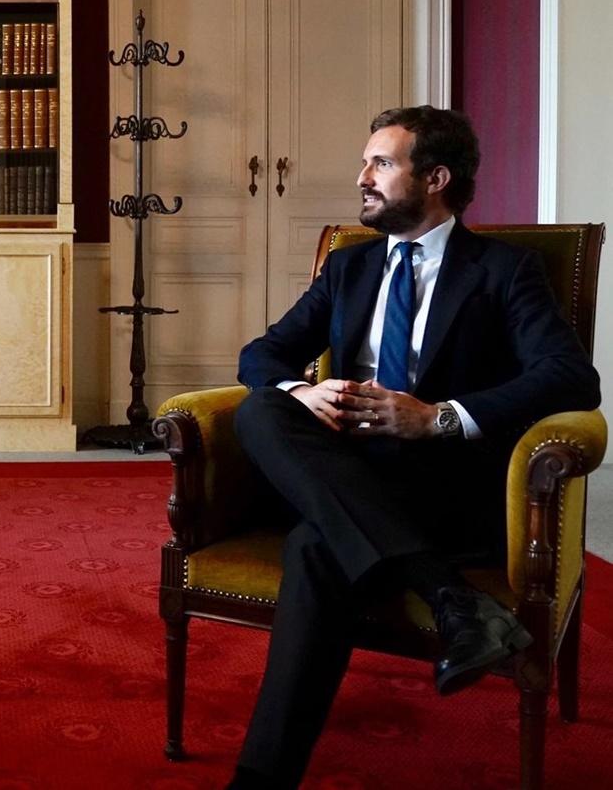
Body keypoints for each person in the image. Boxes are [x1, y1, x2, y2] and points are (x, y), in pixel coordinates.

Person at [227, 106, 601, 788]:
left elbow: (572, 376)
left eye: (381, 163)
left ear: (435, 177)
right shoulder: (349, 267)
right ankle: (450, 597)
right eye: (366, 161)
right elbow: (263, 353)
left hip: (446, 488)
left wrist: (438, 418)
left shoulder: (503, 270)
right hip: (347, 470)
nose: (362, 176)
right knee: (262, 410)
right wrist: (297, 390)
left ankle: (259, 780)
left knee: (316, 546)